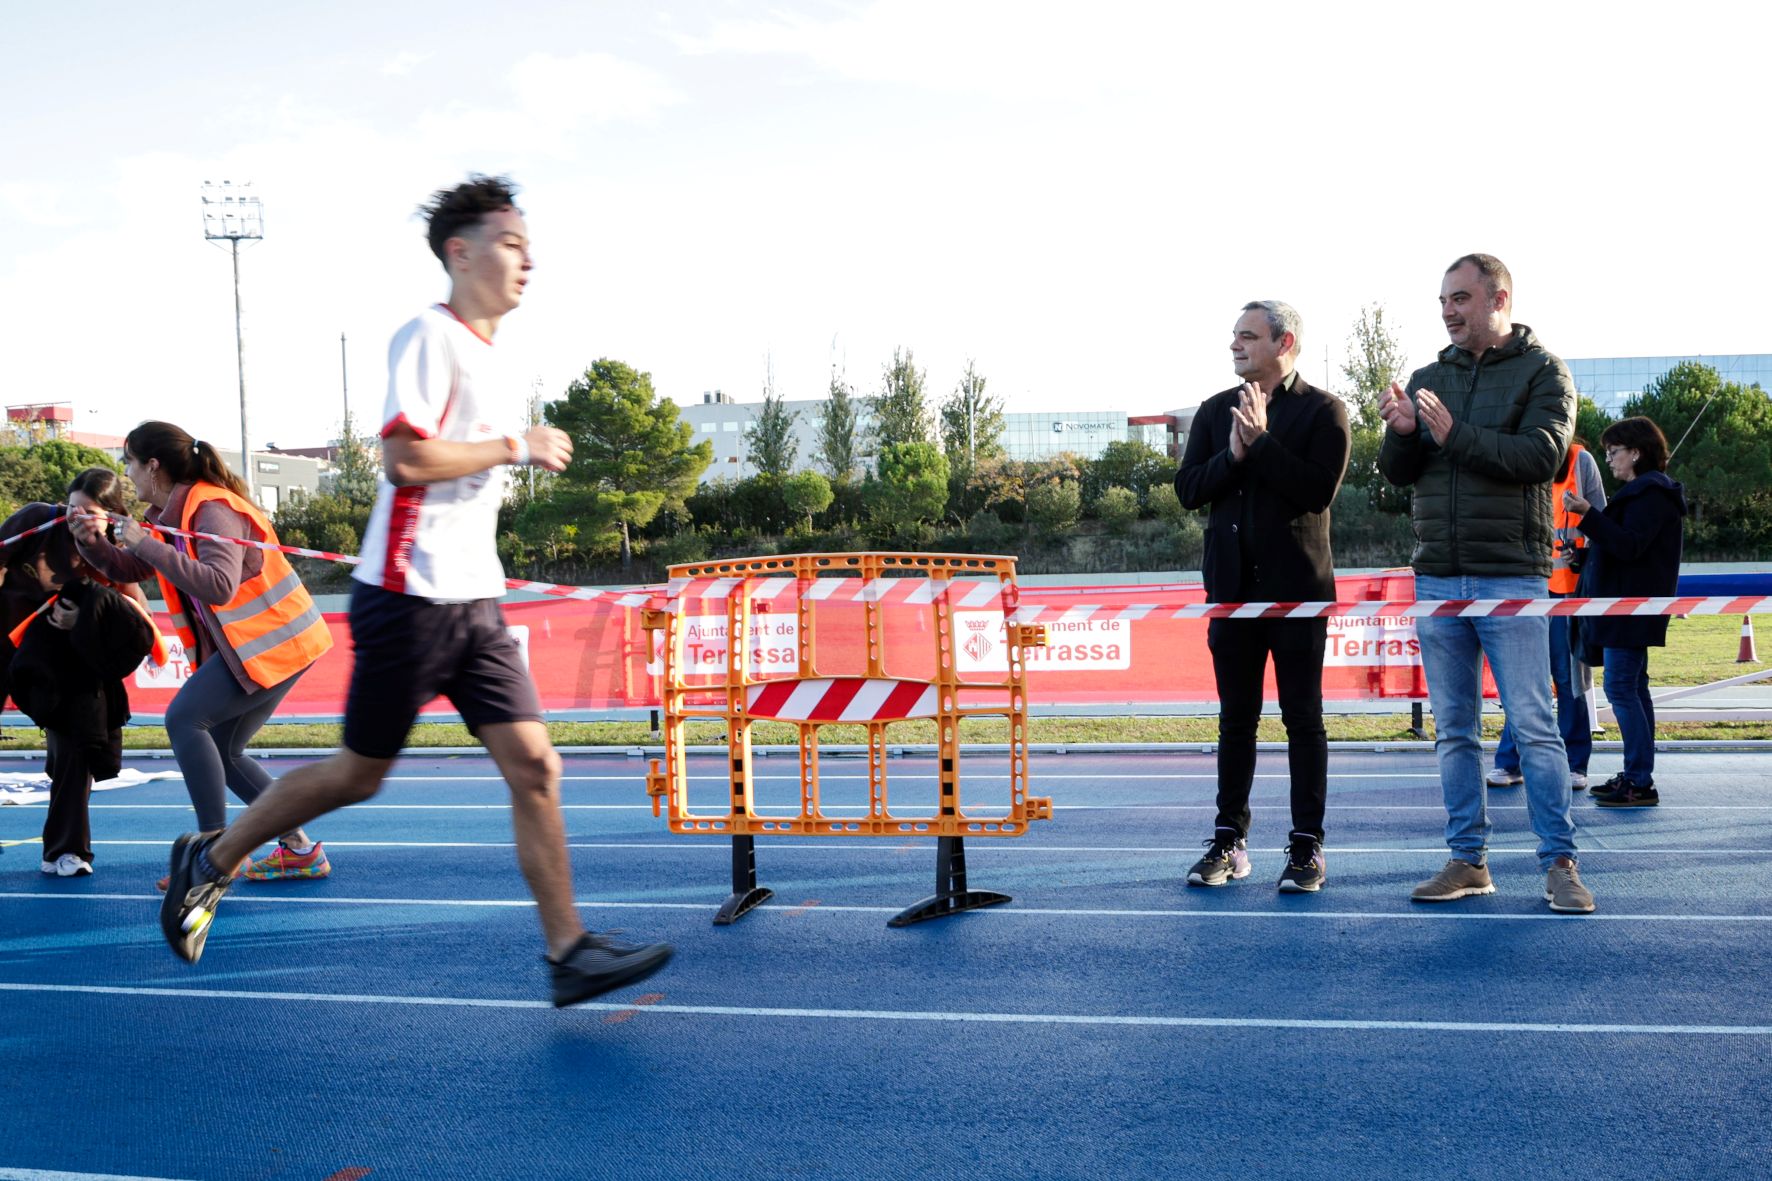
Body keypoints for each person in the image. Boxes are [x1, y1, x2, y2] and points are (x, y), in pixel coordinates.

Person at [157, 174, 674, 1005]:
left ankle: (569, 950)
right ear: (459, 252)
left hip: (476, 602)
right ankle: (210, 858)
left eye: (528, 243)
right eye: (511, 242)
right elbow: (405, 460)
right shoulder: (428, 338)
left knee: (536, 766)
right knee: (361, 774)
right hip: (409, 597)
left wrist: (511, 445)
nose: (528, 259)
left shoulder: (500, 360)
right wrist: (515, 444)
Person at [1378, 253, 1594, 914]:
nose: (1448, 310)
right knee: (1454, 729)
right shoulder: (1427, 376)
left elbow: (1542, 456)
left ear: (1499, 298)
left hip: (1510, 575)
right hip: (1438, 574)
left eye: (1461, 298)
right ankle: (1467, 860)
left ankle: (1560, 861)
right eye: (1443, 299)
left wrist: (1455, 433)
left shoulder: (1544, 370)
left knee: (1533, 721)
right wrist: (1404, 434)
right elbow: (1396, 478)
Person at [71, 422, 334, 887]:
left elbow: (219, 584)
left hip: (276, 642)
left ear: (153, 466)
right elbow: (135, 564)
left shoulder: (211, 507)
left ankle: (213, 857)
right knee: (224, 750)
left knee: (184, 721)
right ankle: (300, 850)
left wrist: (144, 542)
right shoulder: (168, 511)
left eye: (129, 463)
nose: (127, 474)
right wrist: (90, 540)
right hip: (264, 646)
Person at [1177, 301, 1350, 891]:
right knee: (1236, 722)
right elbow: (1188, 490)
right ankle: (1229, 841)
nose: (1235, 345)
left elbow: (1316, 491)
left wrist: (1263, 443)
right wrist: (1235, 454)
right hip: (1230, 595)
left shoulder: (1325, 411)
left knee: (1303, 720)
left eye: (1247, 336)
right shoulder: (1213, 410)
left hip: (1297, 595)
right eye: (1233, 336)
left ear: (1284, 342)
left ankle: (1307, 848)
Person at [1, 502, 155, 877]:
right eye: (75, 506)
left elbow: (134, 604)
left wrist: (86, 616)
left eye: (92, 511)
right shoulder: (37, 521)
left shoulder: (114, 549)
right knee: (65, 753)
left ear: (111, 515)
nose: (80, 517)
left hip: (66, 661)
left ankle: (67, 850)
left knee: (77, 747)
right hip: (8, 644)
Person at [1564, 416, 1686, 807]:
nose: (1610, 460)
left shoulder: (1651, 495)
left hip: (1629, 612)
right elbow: (1623, 550)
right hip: (1624, 608)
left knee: (1621, 688)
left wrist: (1588, 514)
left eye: (1614, 452)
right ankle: (1637, 775)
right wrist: (1583, 555)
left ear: (1636, 452)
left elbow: (1630, 546)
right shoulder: (1642, 493)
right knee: (1633, 688)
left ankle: (1638, 779)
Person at [1486, 440, 1606, 790]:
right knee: (1523, 677)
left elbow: (1599, 519)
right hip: (1526, 589)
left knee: (1569, 677)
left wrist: (1584, 561)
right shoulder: (1517, 456)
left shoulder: (1580, 462)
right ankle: (1511, 761)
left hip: (1568, 589)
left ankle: (1574, 762)